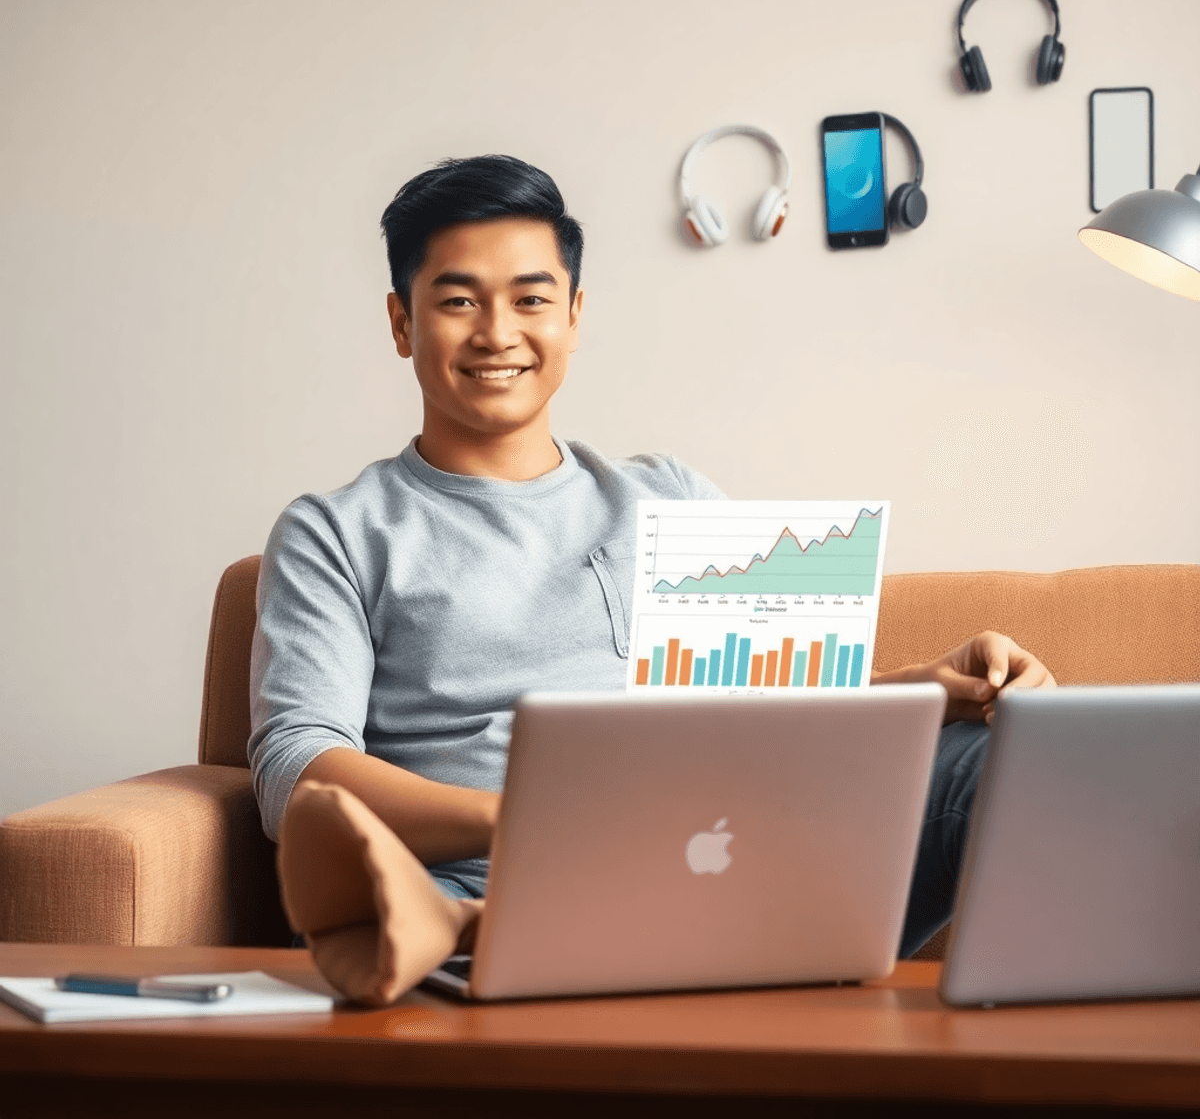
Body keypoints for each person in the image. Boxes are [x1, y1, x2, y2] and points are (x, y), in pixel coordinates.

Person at [249, 154, 1055, 965]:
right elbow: (298, 775)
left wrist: (929, 688)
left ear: (573, 316)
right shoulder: (335, 531)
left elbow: (777, 707)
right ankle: (470, 930)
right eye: (459, 302)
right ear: (401, 322)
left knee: (1000, 755)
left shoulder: (668, 493)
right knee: (451, 904)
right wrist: (526, 815)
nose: (498, 333)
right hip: (485, 873)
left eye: (531, 300)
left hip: (723, 857)